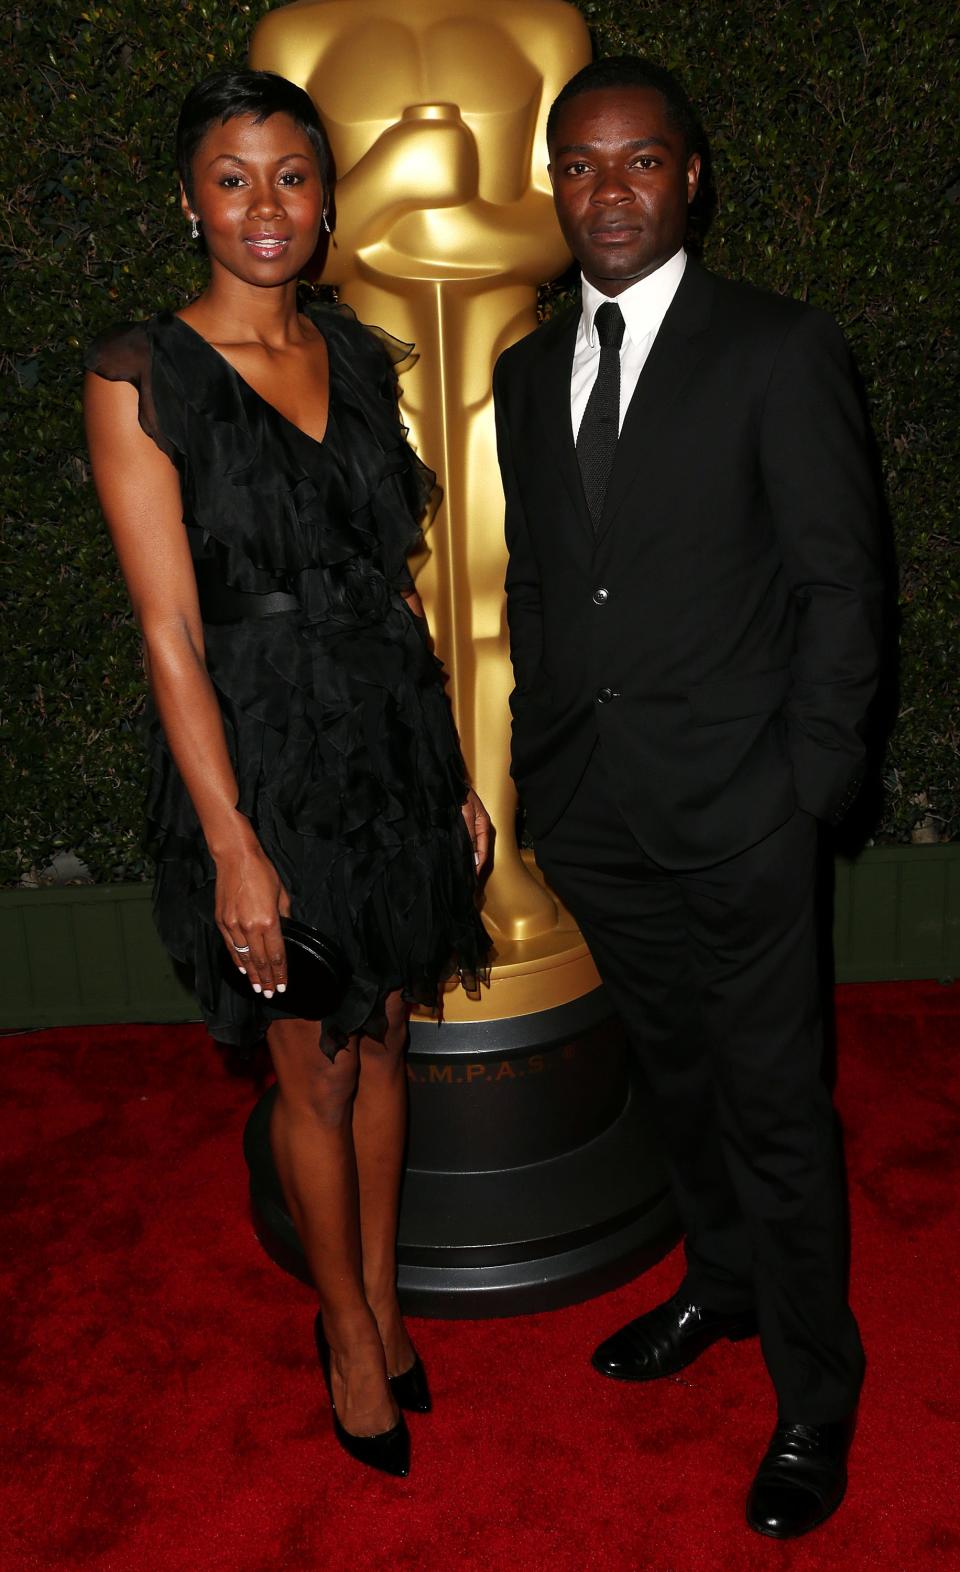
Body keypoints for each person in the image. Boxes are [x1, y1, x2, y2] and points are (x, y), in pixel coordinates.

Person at [493, 57, 882, 1539]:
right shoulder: (526, 371)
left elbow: (843, 585)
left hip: (744, 811)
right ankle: (717, 1285)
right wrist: (539, 760)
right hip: (598, 811)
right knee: (673, 1078)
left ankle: (817, 1396)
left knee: (778, 1104)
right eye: (580, 167)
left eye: (638, 162)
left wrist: (809, 791)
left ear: (691, 175)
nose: (608, 192)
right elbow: (543, 580)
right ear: (554, 184)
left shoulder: (780, 349)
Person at [84, 69, 491, 1480]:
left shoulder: (363, 357)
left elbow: (397, 583)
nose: (266, 206)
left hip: (387, 737)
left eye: (292, 177)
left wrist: (448, 772)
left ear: (326, 202)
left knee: (384, 1034)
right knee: (309, 1065)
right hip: (259, 755)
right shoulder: (143, 375)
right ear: (189, 198)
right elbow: (167, 629)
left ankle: (382, 1305)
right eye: (234, 178)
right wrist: (233, 842)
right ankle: (341, 1335)